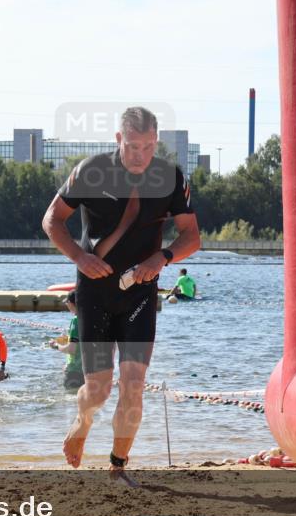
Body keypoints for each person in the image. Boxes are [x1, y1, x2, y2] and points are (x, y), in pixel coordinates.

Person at [42, 106, 201, 472]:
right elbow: (52, 220)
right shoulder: (91, 171)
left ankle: (118, 464)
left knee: (133, 385)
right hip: (95, 292)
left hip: (139, 293)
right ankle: (81, 424)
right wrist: (79, 257)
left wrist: (161, 258)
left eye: (147, 147)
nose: (140, 156)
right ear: (118, 140)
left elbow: (191, 236)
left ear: (156, 143)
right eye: (132, 146)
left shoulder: (170, 177)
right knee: (98, 389)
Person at [48, 291, 83, 391]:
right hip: (91, 371)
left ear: (71, 304)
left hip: (75, 372)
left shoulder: (75, 320)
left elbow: (72, 349)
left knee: (72, 403)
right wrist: (63, 340)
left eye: (67, 303)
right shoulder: (89, 318)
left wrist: (55, 346)